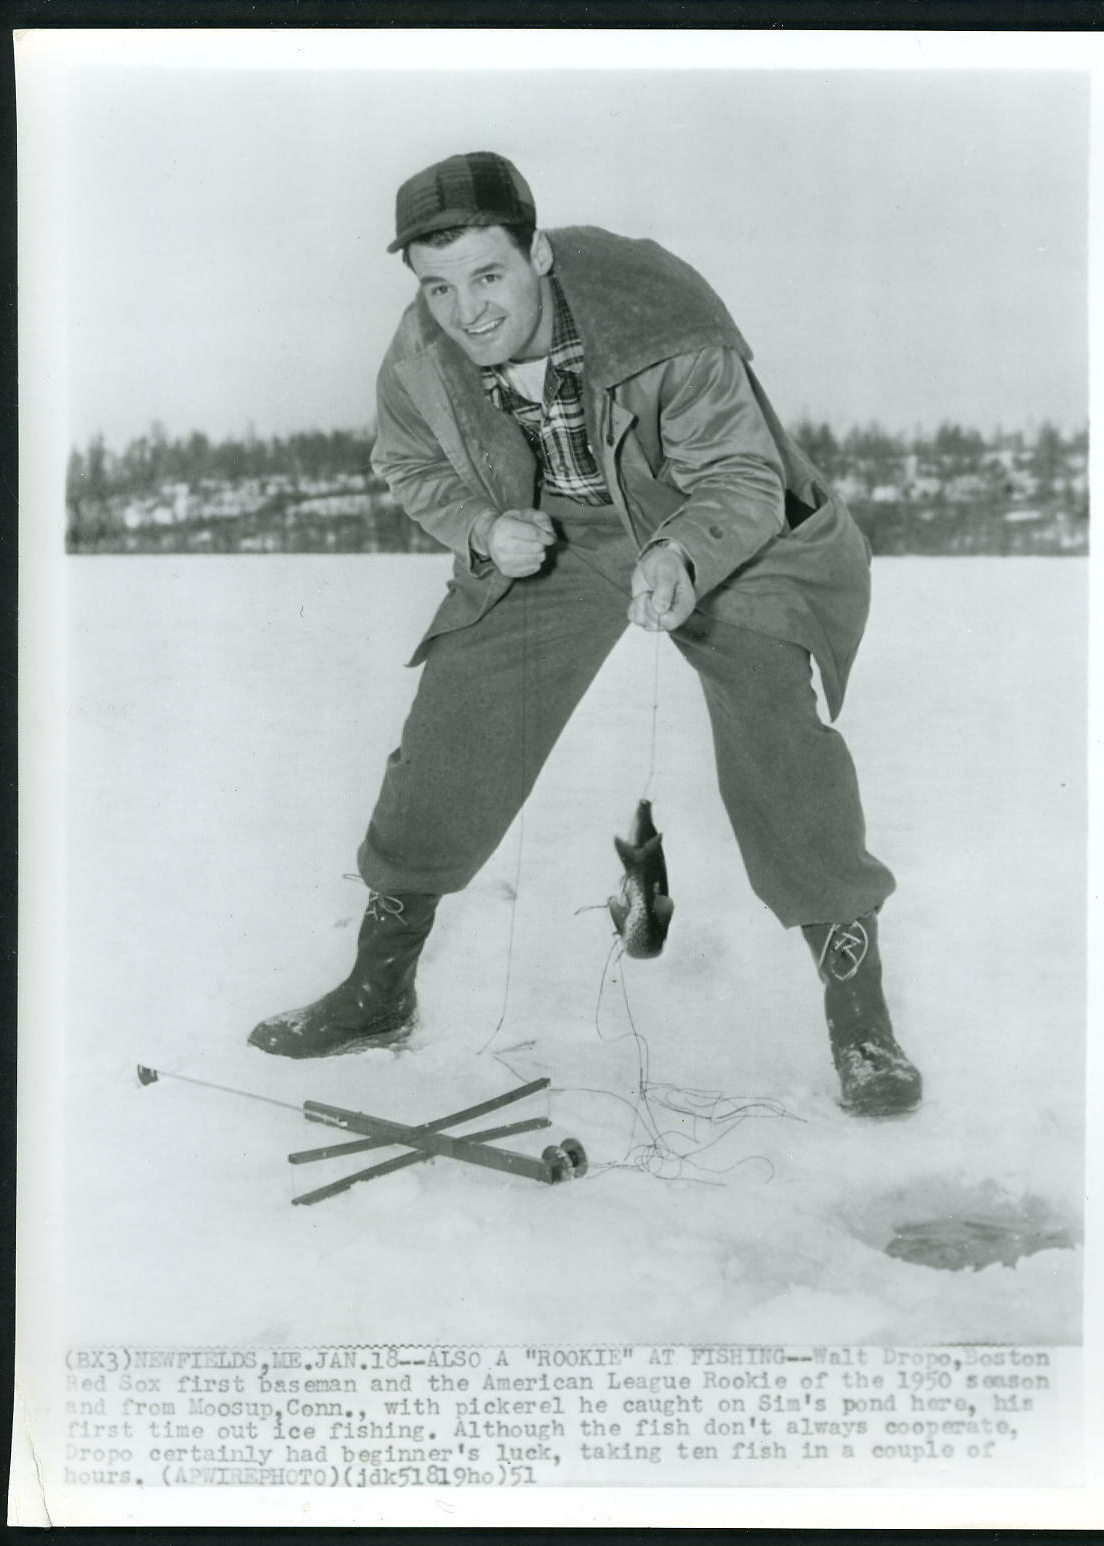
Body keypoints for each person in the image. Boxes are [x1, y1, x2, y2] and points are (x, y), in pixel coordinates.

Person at [248, 151, 921, 1117]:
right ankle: (376, 988)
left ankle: (862, 1024)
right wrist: (482, 530)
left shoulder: (661, 317)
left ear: (538, 253)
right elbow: (405, 466)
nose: (467, 310)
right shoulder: (417, 355)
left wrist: (682, 556)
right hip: (560, 535)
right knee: (453, 723)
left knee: (774, 729)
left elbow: (740, 475)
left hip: (722, 518)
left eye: (488, 276)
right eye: (438, 287)